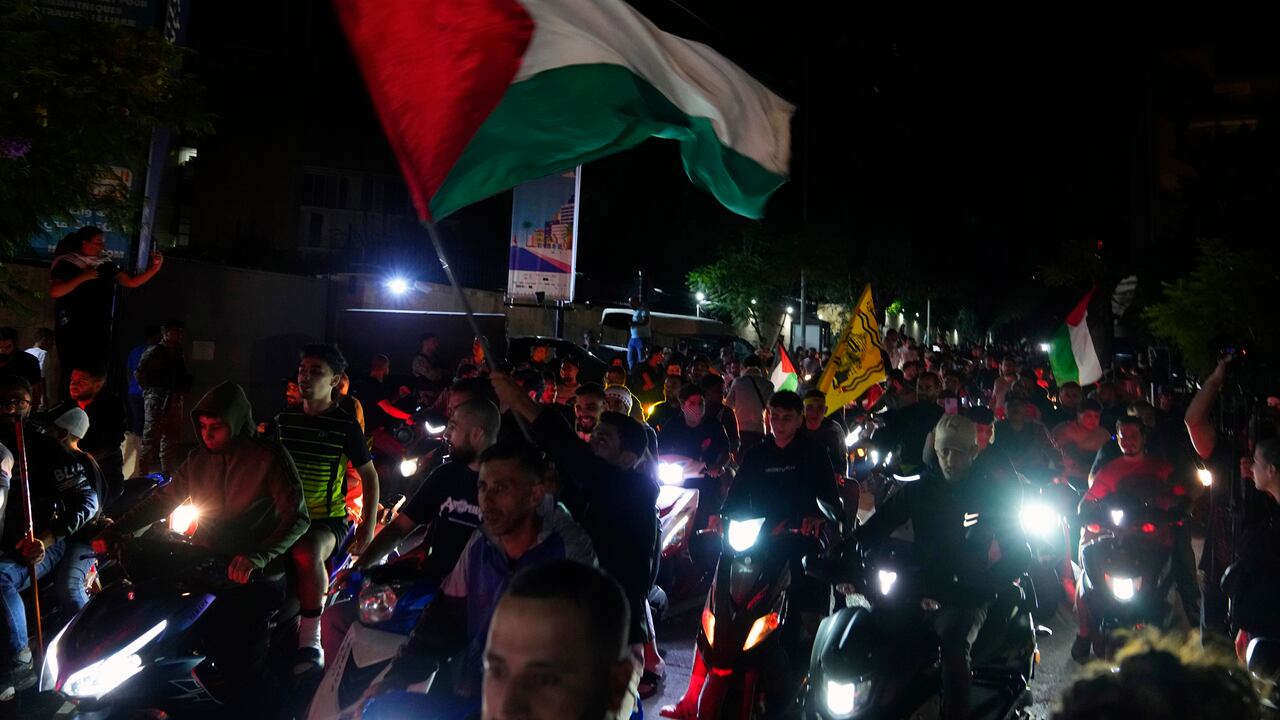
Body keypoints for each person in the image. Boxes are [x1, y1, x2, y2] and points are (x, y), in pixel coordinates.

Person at [95, 381, 309, 711]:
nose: (208, 434)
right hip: (206, 567)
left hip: (255, 578)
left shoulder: (268, 457)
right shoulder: (198, 460)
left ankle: (285, 710)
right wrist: (117, 531)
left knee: (241, 667)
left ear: (237, 423)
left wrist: (256, 557)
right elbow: (163, 500)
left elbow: (297, 517)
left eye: (217, 427)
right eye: (204, 427)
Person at [360, 445, 595, 707]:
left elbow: (584, 646)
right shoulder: (481, 542)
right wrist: (396, 679)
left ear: (535, 495)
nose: (487, 499)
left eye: (501, 487)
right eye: (483, 487)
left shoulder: (568, 548)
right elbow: (444, 619)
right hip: (476, 693)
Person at [662, 390, 840, 720]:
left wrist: (815, 519)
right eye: (774, 417)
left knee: (811, 615)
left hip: (797, 545)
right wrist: (720, 516)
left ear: (800, 419)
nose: (780, 424)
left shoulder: (814, 454)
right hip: (755, 542)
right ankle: (691, 698)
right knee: (715, 617)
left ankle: (818, 693)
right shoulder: (758, 455)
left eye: (787, 418)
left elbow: (831, 499)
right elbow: (737, 493)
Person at [494, 371, 661, 710]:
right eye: (593, 437)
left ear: (627, 458)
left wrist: (521, 401)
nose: (592, 444)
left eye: (604, 441)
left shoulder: (635, 491)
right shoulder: (593, 489)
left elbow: (581, 463)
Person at [855, 414, 1029, 720]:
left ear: (973, 453)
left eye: (959, 452)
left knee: (954, 651)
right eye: (945, 451)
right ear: (935, 451)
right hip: (918, 586)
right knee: (874, 632)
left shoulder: (990, 494)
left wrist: (988, 583)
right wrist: (843, 553)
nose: (950, 459)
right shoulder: (919, 491)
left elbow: (1018, 551)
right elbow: (873, 529)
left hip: (967, 596)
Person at [321, 399, 498, 661]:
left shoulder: (505, 487)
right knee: (336, 618)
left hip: (471, 609)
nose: (447, 434)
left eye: (453, 426)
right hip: (419, 595)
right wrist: (360, 567)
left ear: (477, 433)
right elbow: (399, 529)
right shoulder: (445, 476)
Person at [275, 344, 380, 674]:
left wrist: (367, 526)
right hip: (282, 518)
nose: (305, 377)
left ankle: (311, 640)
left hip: (327, 520)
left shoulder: (346, 426)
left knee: (306, 552)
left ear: (335, 380)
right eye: (302, 370)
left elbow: (370, 476)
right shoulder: (282, 421)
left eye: (315, 371)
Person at [0, 376, 96, 694]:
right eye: (3, 400)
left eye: (18, 401)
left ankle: (20, 661)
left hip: (33, 548)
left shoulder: (44, 448)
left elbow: (87, 501)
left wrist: (47, 538)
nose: (9, 408)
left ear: (31, 403)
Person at [1074, 416, 1197, 662]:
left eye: (1133, 436)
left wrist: (1176, 510)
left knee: (1181, 578)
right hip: (1118, 539)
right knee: (1087, 580)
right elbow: (1088, 502)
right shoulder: (1109, 470)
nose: (1128, 441)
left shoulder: (1161, 468)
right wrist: (1088, 519)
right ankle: (1084, 632)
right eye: (1122, 436)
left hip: (1154, 542)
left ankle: (1191, 632)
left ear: (1143, 438)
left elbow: (1181, 496)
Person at [48, 226, 163, 376]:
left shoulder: (105, 264)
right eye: (98, 243)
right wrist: (83, 277)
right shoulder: (67, 263)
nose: (102, 247)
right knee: (74, 369)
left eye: (103, 243)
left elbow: (131, 282)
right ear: (84, 243)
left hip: (99, 326)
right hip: (74, 327)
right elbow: (56, 291)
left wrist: (155, 267)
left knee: (97, 369)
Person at [42, 406, 106, 623]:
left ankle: (91, 636)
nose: (44, 435)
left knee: (68, 588)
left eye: (49, 430)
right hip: (59, 537)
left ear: (62, 433)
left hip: (82, 538)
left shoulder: (83, 462)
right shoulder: (51, 460)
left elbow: (91, 511)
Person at [57, 362, 127, 505]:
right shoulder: (65, 406)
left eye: (81, 381)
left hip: (104, 474)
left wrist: (87, 461)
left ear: (98, 384)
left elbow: (113, 442)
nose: (73, 384)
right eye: (72, 380)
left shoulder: (112, 406)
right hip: (69, 474)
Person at [136, 318, 192, 474]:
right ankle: (142, 475)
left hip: (174, 399)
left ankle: (167, 474)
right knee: (150, 439)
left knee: (171, 439)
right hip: (158, 399)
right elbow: (140, 373)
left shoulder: (177, 352)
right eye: (175, 332)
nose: (179, 335)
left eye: (181, 332)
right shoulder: (155, 351)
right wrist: (150, 392)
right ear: (165, 333)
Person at [656, 385, 730, 479]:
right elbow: (659, 447)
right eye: (692, 403)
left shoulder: (715, 426)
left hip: (707, 475)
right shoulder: (672, 425)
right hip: (678, 475)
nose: (698, 408)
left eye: (701, 403)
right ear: (683, 406)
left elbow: (725, 451)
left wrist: (718, 465)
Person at [1051, 399, 1111, 488]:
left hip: (1096, 478)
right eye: (1088, 416)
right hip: (1067, 477)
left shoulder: (1104, 434)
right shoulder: (1065, 430)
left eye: (1096, 416)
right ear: (1079, 415)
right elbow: (1060, 457)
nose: (1093, 420)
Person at [725, 354, 773, 453]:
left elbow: (728, 406)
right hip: (759, 430)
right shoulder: (768, 385)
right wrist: (768, 433)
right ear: (760, 367)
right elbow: (771, 411)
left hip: (739, 430)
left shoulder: (738, 382)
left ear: (744, 367)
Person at [800, 388, 846, 476]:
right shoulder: (795, 428)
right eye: (810, 407)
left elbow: (841, 460)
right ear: (803, 410)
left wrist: (839, 474)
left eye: (819, 408)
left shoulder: (834, 430)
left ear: (825, 410)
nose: (815, 412)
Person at [125, 325, 160, 437]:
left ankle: (135, 447)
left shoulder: (135, 351)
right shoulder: (155, 352)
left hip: (133, 392)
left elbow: (128, 371)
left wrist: (131, 385)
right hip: (148, 393)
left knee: (137, 421)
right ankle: (144, 449)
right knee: (148, 422)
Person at [0, 328, 43, 407]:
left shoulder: (29, 361)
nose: (2, 351)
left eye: (7, 347)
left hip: (19, 408)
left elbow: (36, 390)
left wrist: (31, 412)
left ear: (15, 344)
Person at [701, 374, 740, 457]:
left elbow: (736, 443)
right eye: (717, 391)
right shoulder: (696, 411)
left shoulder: (727, 413)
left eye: (722, 391)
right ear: (705, 392)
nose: (721, 395)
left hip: (721, 460)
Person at [627, 296, 651, 370]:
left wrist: (635, 324)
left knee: (641, 360)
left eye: (631, 303)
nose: (630, 305)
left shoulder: (644, 310)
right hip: (633, 338)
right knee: (630, 359)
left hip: (642, 338)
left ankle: (640, 376)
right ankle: (633, 374)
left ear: (636, 301)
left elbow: (645, 321)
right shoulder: (636, 311)